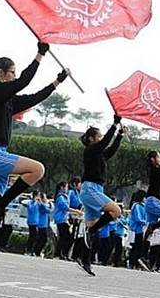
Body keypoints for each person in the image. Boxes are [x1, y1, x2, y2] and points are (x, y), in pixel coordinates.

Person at [0, 43, 70, 280]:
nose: (14, 76)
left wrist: (57, 82)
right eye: (12, 72)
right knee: (37, 169)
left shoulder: (7, 100)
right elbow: (24, 82)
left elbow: (34, 96)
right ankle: (3, 203)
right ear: (1, 73)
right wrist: (40, 54)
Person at [77, 116, 124, 277]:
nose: (101, 138)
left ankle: (85, 260)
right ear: (91, 139)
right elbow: (105, 144)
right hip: (90, 189)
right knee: (116, 211)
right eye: (99, 136)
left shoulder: (98, 154)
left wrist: (119, 135)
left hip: (95, 189)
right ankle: (90, 232)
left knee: (93, 227)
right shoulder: (90, 150)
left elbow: (109, 150)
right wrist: (114, 125)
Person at [128, 190, 149, 271]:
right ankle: (132, 263)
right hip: (136, 229)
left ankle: (136, 263)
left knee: (139, 247)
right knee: (136, 247)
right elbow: (138, 218)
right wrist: (145, 222)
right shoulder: (137, 205)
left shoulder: (143, 206)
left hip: (141, 229)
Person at [53, 181, 74, 260]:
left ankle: (61, 253)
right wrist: (76, 211)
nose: (67, 189)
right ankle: (59, 253)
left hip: (64, 219)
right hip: (61, 219)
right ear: (62, 187)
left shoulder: (64, 196)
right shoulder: (60, 197)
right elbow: (65, 207)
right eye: (66, 187)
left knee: (65, 237)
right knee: (66, 237)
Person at [34, 193, 52, 258]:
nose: (46, 199)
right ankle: (37, 251)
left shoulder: (43, 204)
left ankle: (37, 251)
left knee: (42, 239)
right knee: (43, 239)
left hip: (44, 224)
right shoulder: (41, 205)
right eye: (44, 197)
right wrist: (47, 203)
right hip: (41, 224)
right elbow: (48, 210)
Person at [24, 191, 40, 256]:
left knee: (35, 236)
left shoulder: (38, 203)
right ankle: (28, 250)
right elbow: (31, 209)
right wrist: (35, 201)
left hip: (36, 221)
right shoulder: (30, 202)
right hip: (31, 221)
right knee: (32, 236)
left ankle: (31, 250)